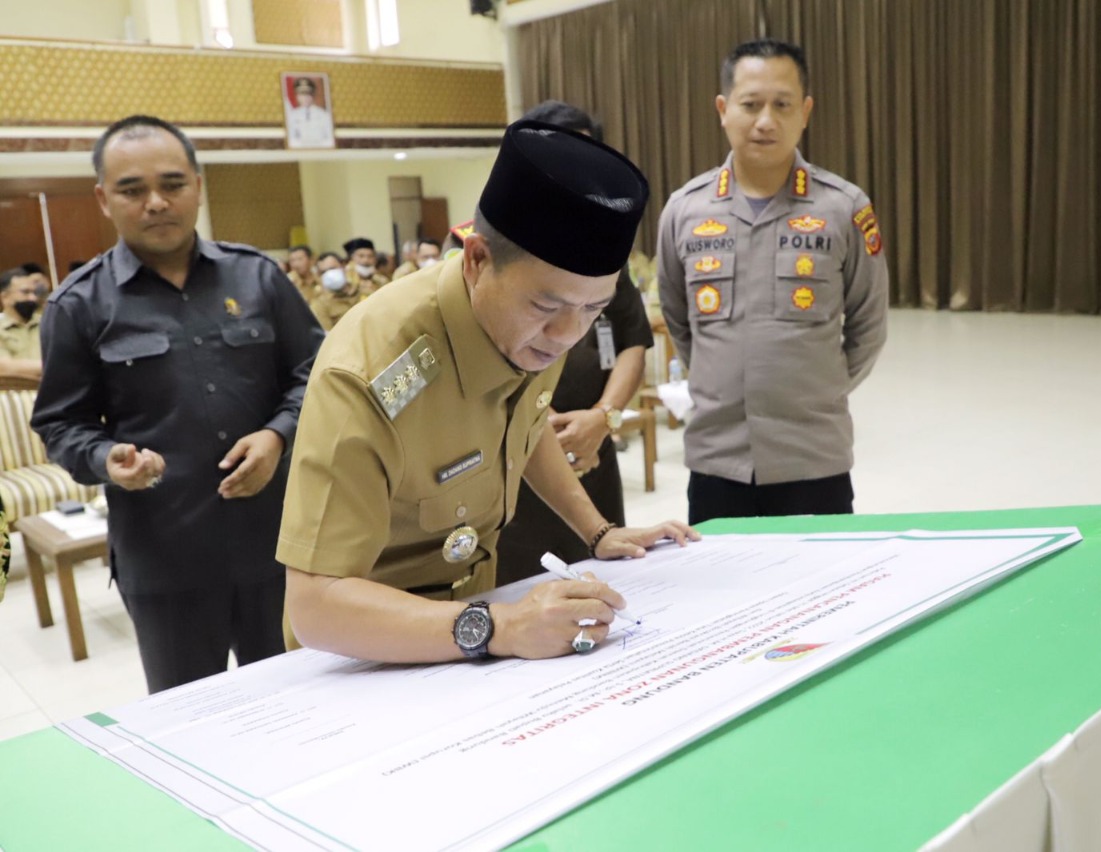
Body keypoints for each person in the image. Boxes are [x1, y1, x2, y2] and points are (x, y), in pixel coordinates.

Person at [277, 119, 697, 663]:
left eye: (592, 310)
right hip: (360, 654)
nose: (566, 336)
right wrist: (498, 627)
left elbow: (525, 423)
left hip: (467, 625)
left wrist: (597, 532)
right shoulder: (371, 371)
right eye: (547, 308)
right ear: (476, 260)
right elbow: (316, 606)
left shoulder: (527, 327)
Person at [31, 114, 325, 693]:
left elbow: (318, 373)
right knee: (192, 722)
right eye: (132, 190)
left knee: (305, 700)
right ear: (103, 198)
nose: (156, 203)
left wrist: (278, 434)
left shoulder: (259, 276)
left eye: (172, 184)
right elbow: (61, 423)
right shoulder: (79, 305)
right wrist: (105, 457)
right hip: (168, 561)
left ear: (198, 184)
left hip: (280, 544)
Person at [658, 38, 889, 525]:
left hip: (813, 460)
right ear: (723, 109)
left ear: (805, 111)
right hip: (717, 462)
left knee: (825, 595)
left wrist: (817, 389)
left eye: (782, 105)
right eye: (750, 104)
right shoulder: (684, 210)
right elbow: (679, 320)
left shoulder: (844, 208)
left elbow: (869, 324)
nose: (766, 120)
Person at [483, 101, 654, 586]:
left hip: (592, 444)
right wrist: (538, 429)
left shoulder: (607, 253)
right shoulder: (495, 247)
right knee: (519, 592)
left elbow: (632, 343)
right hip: (513, 457)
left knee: (606, 580)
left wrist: (604, 418)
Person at [311, 250, 363, 331]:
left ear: (343, 266)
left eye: (332, 269)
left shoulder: (364, 291)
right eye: (323, 272)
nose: (329, 274)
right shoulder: (320, 305)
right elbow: (328, 337)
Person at [284, 77, 334, 149]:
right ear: (297, 96)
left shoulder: (324, 115)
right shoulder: (292, 116)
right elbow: (291, 139)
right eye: (302, 94)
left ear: (313, 95)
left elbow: (330, 139)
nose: (305, 98)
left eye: (308, 94)